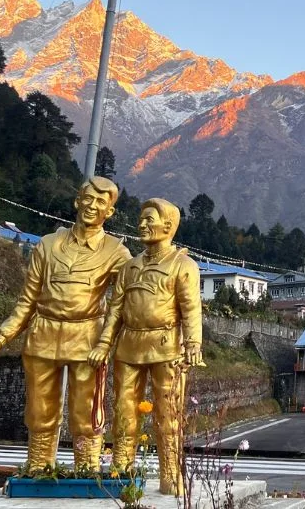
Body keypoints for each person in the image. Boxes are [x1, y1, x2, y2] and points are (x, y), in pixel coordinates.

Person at [0, 177, 131, 471]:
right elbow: (27, 301)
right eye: (87, 198)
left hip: (88, 337)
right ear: (77, 201)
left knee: (86, 413)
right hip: (43, 334)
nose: (92, 206)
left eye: (100, 202)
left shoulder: (116, 253)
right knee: (39, 411)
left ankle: (87, 470)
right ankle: (38, 469)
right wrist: (0, 338)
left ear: (109, 212)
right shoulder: (47, 245)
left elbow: (126, 302)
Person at [89, 198, 202, 495]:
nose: (142, 225)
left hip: (166, 346)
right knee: (124, 411)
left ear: (168, 226)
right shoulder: (129, 267)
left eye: (149, 220)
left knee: (168, 414)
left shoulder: (183, 265)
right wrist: (104, 342)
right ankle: (122, 472)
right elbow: (115, 308)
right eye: (141, 220)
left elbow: (190, 309)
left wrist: (193, 343)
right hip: (128, 345)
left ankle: (170, 475)